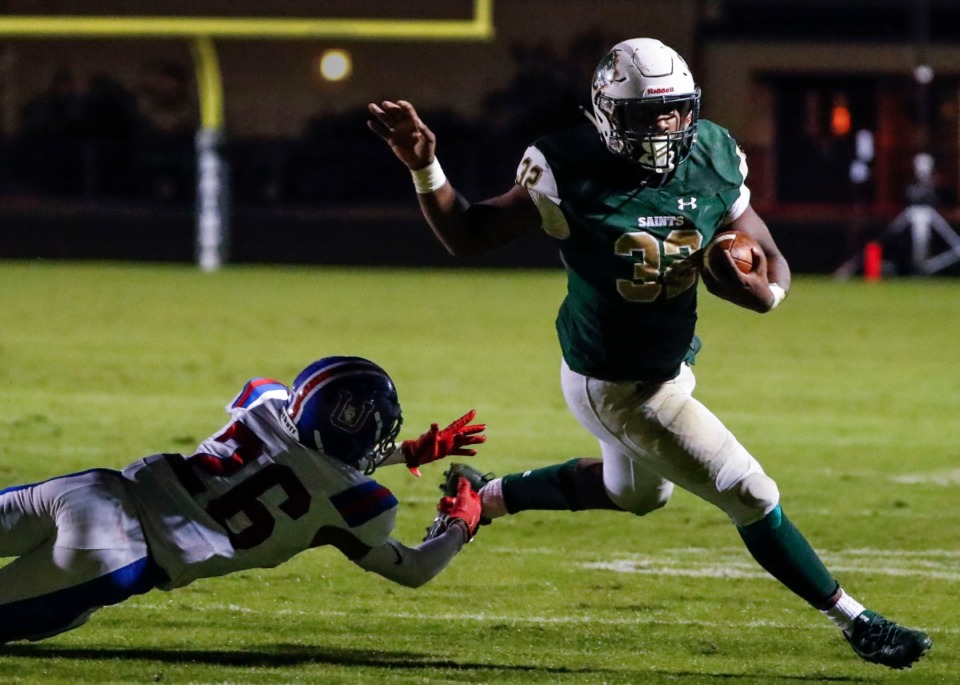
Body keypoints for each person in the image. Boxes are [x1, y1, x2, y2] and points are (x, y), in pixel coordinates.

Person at [368, 37, 932, 669]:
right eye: (645, 114)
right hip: (615, 381)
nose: (664, 127)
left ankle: (487, 496)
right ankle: (856, 622)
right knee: (749, 491)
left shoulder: (714, 153)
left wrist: (763, 292)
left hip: (667, 364)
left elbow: (763, 247)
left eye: (674, 110)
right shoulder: (566, 166)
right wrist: (425, 168)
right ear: (607, 112)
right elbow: (469, 234)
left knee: (636, 494)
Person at [0, 355, 485, 643]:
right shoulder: (359, 501)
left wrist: (406, 453)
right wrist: (462, 522)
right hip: (117, 555)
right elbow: (413, 568)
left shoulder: (266, 401)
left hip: (93, 490)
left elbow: (295, 458)